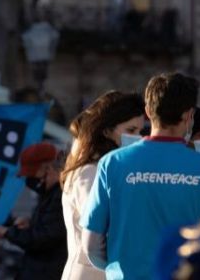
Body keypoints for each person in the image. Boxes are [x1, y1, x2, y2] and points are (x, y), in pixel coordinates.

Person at [81, 72, 200, 280]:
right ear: (189, 115)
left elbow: (91, 244)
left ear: (147, 111)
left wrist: (118, 265)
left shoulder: (112, 164)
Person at [60, 92, 144, 280]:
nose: (137, 138)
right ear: (106, 131)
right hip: (90, 274)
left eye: (140, 131)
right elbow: (100, 229)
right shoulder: (91, 171)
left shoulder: (114, 169)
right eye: (130, 131)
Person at [0, 142, 68, 280]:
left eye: (33, 174)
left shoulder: (61, 196)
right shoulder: (50, 193)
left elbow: (44, 238)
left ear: (49, 168)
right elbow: (47, 228)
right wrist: (31, 224)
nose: (31, 180)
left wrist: (6, 232)